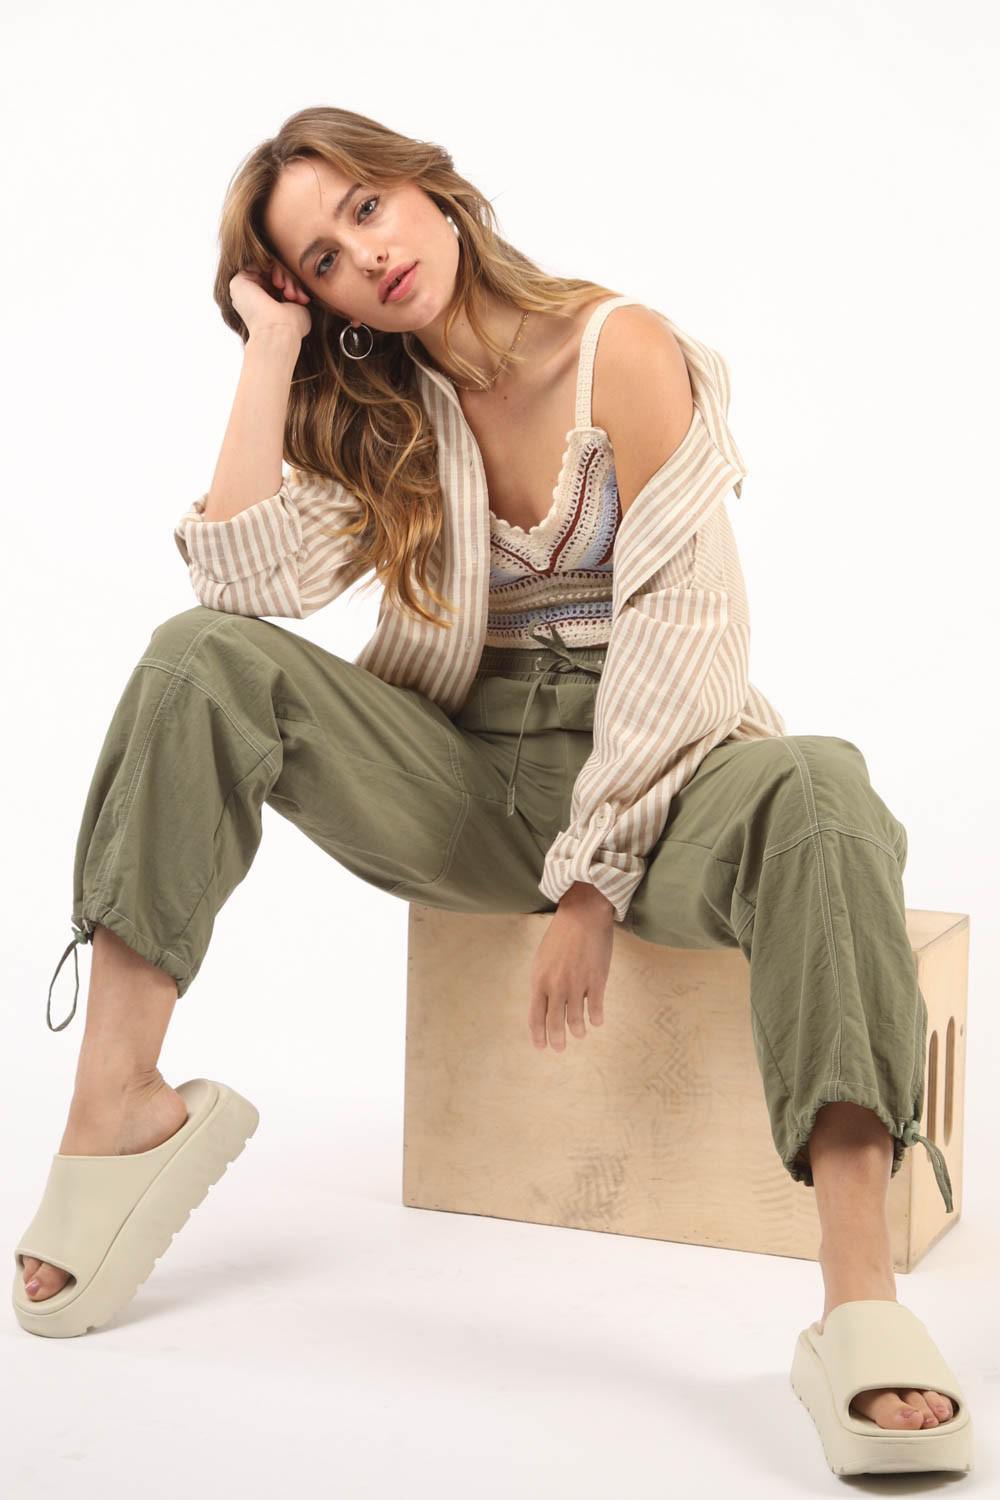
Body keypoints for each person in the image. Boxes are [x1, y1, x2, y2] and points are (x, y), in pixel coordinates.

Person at [13, 106, 969, 1469]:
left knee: (818, 786)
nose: (364, 255)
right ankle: (119, 1104)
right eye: (323, 261)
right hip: (461, 777)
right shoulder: (388, 415)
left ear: (429, 187)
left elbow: (689, 636)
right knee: (198, 662)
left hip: (666, 774)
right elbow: (232, 582)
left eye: (364, 205)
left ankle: (857, 1304)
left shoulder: (619, 350)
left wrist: (595, 876)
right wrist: (273, 354)